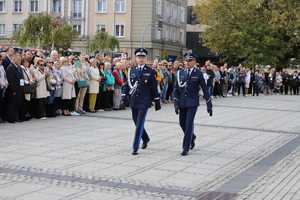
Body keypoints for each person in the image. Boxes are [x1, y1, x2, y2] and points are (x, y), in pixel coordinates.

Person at [122, 48, 161, 155]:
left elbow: (154, 87)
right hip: (134, 100)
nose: (141, 59)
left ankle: (135, 146)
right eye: (139, 57)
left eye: (143, 57)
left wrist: (157, 100)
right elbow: (126, 84)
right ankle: (146, 138)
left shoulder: (151, 71)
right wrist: (124, 95)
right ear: (136, 58)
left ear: (146, 58)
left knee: (139, 123)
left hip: (145, 101)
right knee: (136, 121)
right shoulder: (131, 70)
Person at [173, 52, 212, 156]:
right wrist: (176, 103)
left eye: (190, 60)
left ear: (194, 61)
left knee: (189, 123)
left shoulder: (198, 73)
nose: (188, 62)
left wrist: (209, 104)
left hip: (192, 102)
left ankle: (185, 147)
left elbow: (205, 89)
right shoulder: (180, 73)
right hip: (182, 102)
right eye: (186, 60)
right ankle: (192, 136)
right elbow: (176, 89)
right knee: (182, 123)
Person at [5, 53, 25, 123]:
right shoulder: (10, 67)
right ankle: (11, 118)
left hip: (20, 89)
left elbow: (22, 78)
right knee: (12, 104)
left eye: (20, 60)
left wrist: (22, 87)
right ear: (14, 59)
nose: (19, 61)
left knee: (17, 104)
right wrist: (14, 90)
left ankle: (16, 117)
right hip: (13, 90)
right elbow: (10, 80)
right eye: (18, 59)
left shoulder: (19, 67)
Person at [0, 54, 8, 122]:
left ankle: (2, 117)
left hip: (3, 87)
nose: (1, 61)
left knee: (2, 102)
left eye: (1, 60)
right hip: (1, 86)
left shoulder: (2, 67)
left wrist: (6, 83)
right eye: (0, 60)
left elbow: (4, 76)